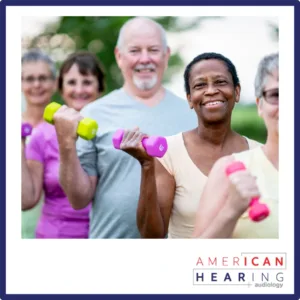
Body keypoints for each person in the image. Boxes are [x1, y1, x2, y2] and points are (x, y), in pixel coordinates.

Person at [54, 17, 198, 238]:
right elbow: (78, 199)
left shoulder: (192, 115)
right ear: (119, 57)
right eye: (134, 51)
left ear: (166, 55)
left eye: (153, 50)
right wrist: (66, 144)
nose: (145, 59)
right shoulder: (93, 113)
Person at [119, 52, 262, 239]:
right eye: (200, 85)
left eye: (220, 82)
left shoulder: (261, 153)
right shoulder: (168, 153)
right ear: (189, 98)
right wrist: (147, 165)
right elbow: (151, 235)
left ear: (236, 92)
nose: (210, 91)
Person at [192, 52, 279, 239]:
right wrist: (231, 209)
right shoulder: (230, 170)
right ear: (260, 105)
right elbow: (195, 260)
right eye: (276, 94)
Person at [22, 51, 105, 238]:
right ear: (61, 88)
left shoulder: (111, 132)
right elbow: (27, 200)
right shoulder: (41, 136)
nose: (79, 89)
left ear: (100, 88)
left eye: (87, 82)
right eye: (71, 82)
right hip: (54, 236)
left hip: (103, 235)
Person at [21, 49, 57, 238]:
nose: (36, 84)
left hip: (51, 231)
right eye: (29, 79)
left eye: (43, 78)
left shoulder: (63, 130)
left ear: (55, 82)